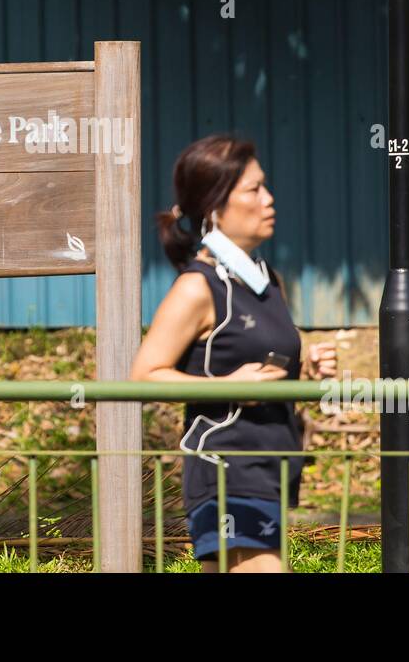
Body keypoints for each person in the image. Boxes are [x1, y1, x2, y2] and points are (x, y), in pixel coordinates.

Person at [130, 134, 336, 572]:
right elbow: (144, 376)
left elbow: (267, 367)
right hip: (226, 470)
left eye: (265, 186)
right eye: (254, 189)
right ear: (215, 207)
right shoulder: (197, 286)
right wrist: (225, 386)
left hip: (270, 470)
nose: (269, 199)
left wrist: (308, 366)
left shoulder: (267, 282)